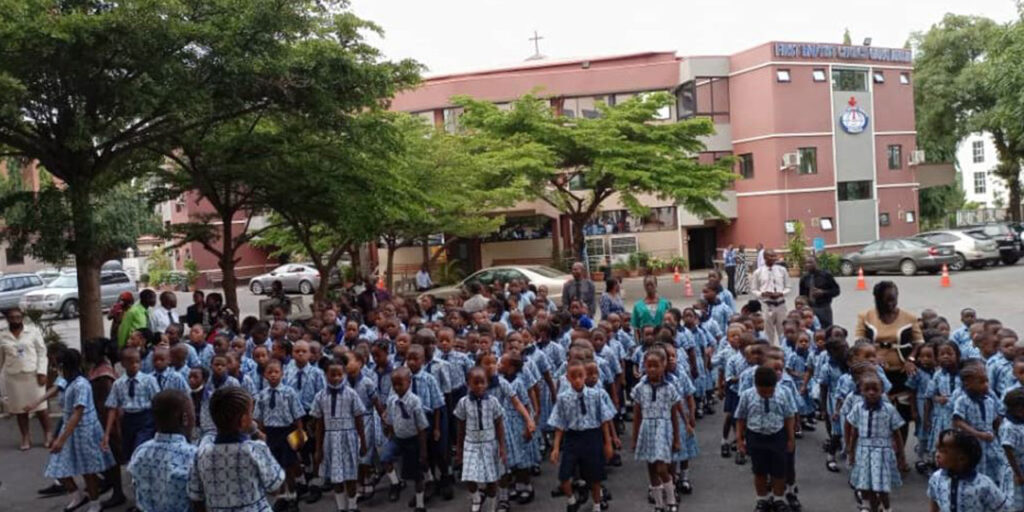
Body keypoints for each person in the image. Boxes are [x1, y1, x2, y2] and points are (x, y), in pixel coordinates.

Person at [188, 386, 286, 512]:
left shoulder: (201, 453)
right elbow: (274, 488)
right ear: (244, 420)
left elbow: (196, 497)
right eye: (251, 412)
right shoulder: (255, 449)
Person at [43, 348, 116, 512]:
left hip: (84, 432)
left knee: (87, 469)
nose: (56, 369)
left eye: (57, 366)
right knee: (57, 467)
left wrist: (61, 439)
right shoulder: (67, 381)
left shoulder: (81, 384)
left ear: (64, 366)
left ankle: (95, 503)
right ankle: (78, 495)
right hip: (69, 429)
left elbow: (77, 413)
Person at [855, 280, 924, 436]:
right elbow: (859, 340)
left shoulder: (909, 317)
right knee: (879, 414)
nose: (892, 303)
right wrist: (873, 355)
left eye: (894, 298)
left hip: (901, 372)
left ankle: (900, 451)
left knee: (902, 416)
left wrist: (911, 360)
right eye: (888, 299)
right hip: (876, 373)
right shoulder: (865, 316)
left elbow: (919, 343)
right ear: (878, 299)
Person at [548, 360, 615, 512]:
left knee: (595, 476)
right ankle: (572, 500)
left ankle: (597, 505)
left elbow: (604, 420)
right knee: (564, 475)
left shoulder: (596, 395)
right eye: (573, 376)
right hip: (573, 437)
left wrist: (608, 442)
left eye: (580, 376)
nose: (577, 380)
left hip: (592, 437)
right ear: (567, 378)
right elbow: (559, 424)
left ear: (585, 376)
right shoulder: (563, 398)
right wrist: (556, 447)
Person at [734, 366, 796, 512]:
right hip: (756, 436)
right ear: (755, 385)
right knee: (759, 471)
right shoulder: (747, 395)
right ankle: (762, 499)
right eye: (763, 392)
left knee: (779, 471)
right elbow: (740, 418)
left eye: (770, 391)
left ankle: (778, 498)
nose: (767, 395)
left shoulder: (783, 394)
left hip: (777, 436)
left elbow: (789, 416)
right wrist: (739, 439)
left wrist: (791, 438)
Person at [126, 389, 198, 512]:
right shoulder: (193, 455)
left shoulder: (140, 451)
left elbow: (136, 490)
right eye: (193, 412)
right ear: (185, 418)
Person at [312, 358, 367, 512]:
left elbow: (359, 418)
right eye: (332, 375)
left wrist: (363, 441)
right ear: (325, 375)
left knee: (350, 475)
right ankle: (341, 508)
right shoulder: (320, 396)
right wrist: (318, 449)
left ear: (344, 375)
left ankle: (352, 506)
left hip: (348, 438)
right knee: (336, 478)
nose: (336, 378)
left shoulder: (351, 394)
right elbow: (319, 424)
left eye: (339, 375)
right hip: (330, 440)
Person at [846, 373, 907, 512]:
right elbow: (855, 430)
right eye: (867, 389)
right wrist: (851, 450)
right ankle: (867, 504)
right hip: (863, 451)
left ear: (882, 391)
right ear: (861, 391)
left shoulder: (889, 409)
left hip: (882, 453)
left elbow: (897, 433)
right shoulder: (858, 408)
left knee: (881, 485)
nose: (871, 393)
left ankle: (886, 508)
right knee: (865, 482)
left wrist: (901, 455)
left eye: (875, 389)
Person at [631, 347, 681, 512]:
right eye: (649, 365)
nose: (652, 369)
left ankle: (671, 500)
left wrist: (676, 438)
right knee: (651, 468)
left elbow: (674, 415)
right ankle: (659, 504)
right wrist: (634, 437)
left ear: (663, 366)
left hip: (663, 428)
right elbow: (637, 415)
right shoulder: (640, 388)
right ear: (644, 366)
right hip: (647, 429)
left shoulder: (669, 388)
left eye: (656, 365)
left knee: (661, 467)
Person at [454, 366, 507, 512]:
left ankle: (491, 507)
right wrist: (459, 449)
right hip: (471, 444)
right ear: (468, 384)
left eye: (482, 382)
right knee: (469, 476)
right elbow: (460, 426)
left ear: (487, 383)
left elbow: (499, 424)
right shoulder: (463, 403)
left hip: (490, 443)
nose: (479, 386)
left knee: (492, 479)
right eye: (475, 382)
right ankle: (476, 498)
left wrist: (502, 447)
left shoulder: (493, 402)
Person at [254, 359, 304, 510]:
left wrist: (300, 433)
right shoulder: (261, 395)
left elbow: (297, 414)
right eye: (270, 372)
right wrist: (261, 435)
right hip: (270, 433)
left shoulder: (289, 392)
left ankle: (293, 496)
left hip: (286, 431)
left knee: (289, 466)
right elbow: (259, 417)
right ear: (265, 375)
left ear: (282, 374)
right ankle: (282, 497)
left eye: (276, 372)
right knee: (276, 467)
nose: (273, 375)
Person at [0, 307, 52, 451]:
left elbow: (42, 352)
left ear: (22, 317)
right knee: (20, 410)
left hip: (34, 375)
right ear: (8, 319)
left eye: (18, 317)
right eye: (12, 317)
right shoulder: (3, 336)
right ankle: (25, 436)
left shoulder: (33, 331)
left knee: (41, 408)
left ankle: (48, 433)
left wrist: (42, 372)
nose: (16, 320)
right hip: (14, 377)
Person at [382, 367, 430, 512]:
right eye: (394, 384)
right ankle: (396, 483)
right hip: (397, 438)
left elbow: (421, 427)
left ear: (409, 382)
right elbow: (390, 420)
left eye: (400, 384)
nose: (397, 388)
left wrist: (423, 451)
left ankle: (420, 505)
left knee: (416, 475)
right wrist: (390, 434)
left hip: (413, 440)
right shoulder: (392, 400)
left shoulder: (415, 401)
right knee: (385, 458)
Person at [927, 429, 1009, 511]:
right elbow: (933, 500)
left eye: (943, 451)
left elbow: (1001, 507)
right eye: (937, 450)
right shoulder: (936, 478)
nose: (937, 455)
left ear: (962, 459)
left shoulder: (983, 484)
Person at [751, 250, 789, 345]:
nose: (773, 258)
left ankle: (785, 352)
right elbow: (754, 289)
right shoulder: (758, 272)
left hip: (780, 304)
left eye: (774, 256)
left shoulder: (782, 270)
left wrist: (781, 293)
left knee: (783, 331)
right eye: (770, 256)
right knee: (768, 333)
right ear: (764, 258)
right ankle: (770, 353)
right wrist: (762, 294)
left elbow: (788, 287)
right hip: (767, 305)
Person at [797, 256, 840, 329]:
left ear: (816, 263)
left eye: (810, 262)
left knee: (826, 330)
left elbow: (836, 291)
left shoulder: (826, 275)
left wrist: (823, 292)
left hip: (824, 308)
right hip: (810, 309)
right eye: (806, 263)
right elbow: (802, 296)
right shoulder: (804, 278)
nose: (808, 265)